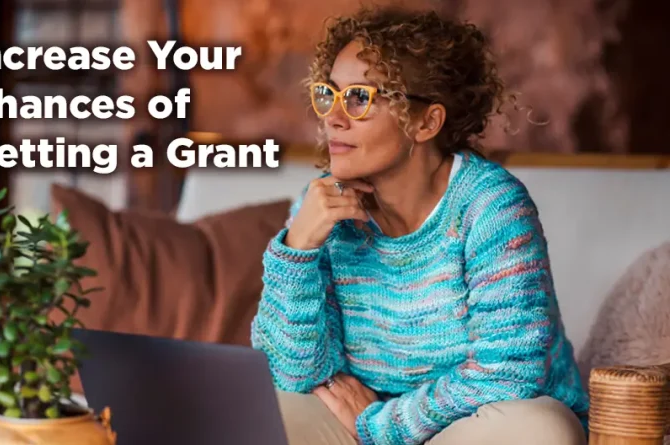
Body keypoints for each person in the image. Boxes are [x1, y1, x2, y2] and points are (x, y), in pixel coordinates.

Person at [250, 6, 589, 445]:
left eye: (359, 98)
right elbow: (292, 374)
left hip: (467, 425)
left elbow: (509, 372)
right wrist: (297, 250)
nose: (333, 117)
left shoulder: (489, 206)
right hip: (357, 424)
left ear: (427, 122)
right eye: (328, 94)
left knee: (541, 431)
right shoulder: (321, 209)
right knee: (266, 410)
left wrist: (380, 425)